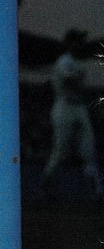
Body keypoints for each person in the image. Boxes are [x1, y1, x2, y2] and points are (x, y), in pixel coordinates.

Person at [43, 28, 104, 201]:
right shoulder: (64, 61)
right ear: (70, 43)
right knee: (61, 149)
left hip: (79, 107)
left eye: (81, 40)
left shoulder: (80, 63)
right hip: (63, 107)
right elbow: (69, 80)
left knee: (88, 147)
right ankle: (47, 183)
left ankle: (96, 189)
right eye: (78, 40)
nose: (81, 44)